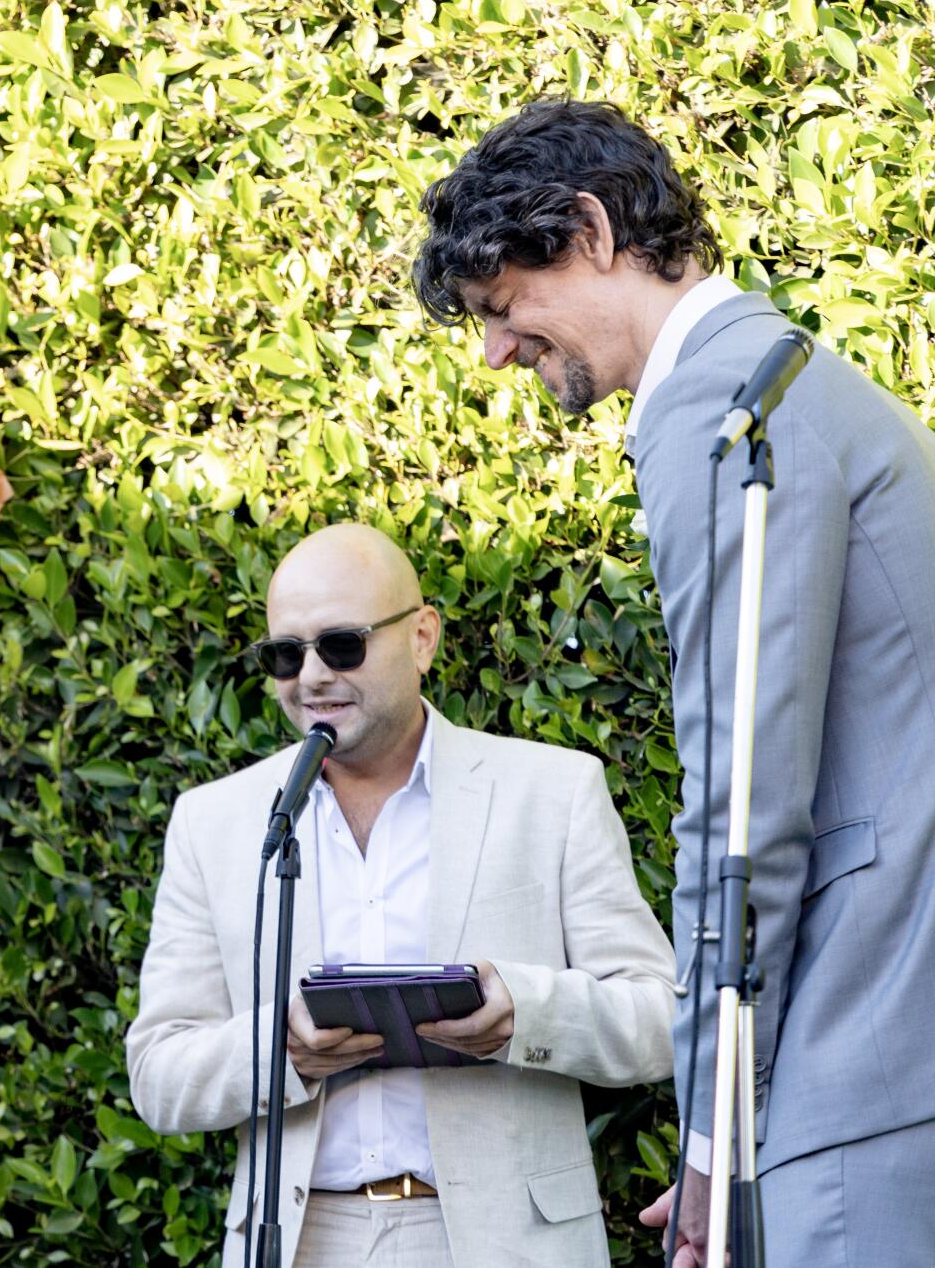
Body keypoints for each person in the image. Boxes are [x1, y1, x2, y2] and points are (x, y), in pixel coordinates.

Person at [412, 97, 935, 1264]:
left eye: (501, 307)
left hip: (861, 1059)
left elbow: (742, 807)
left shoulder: (724, 407)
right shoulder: (796, 377)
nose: (494, 349)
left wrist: (712, 1126)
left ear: (590, 232)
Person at [126, 524, 675, 1267]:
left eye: (342, 644)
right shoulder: (215, 820)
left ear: (422, 637)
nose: (312, 675)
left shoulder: (552, 790)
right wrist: (281, 1047)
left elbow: (664, 1016)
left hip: (502, 1238)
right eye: (286, 654)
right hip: (302, 1239)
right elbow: (159, 1076)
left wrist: (526, 1010)